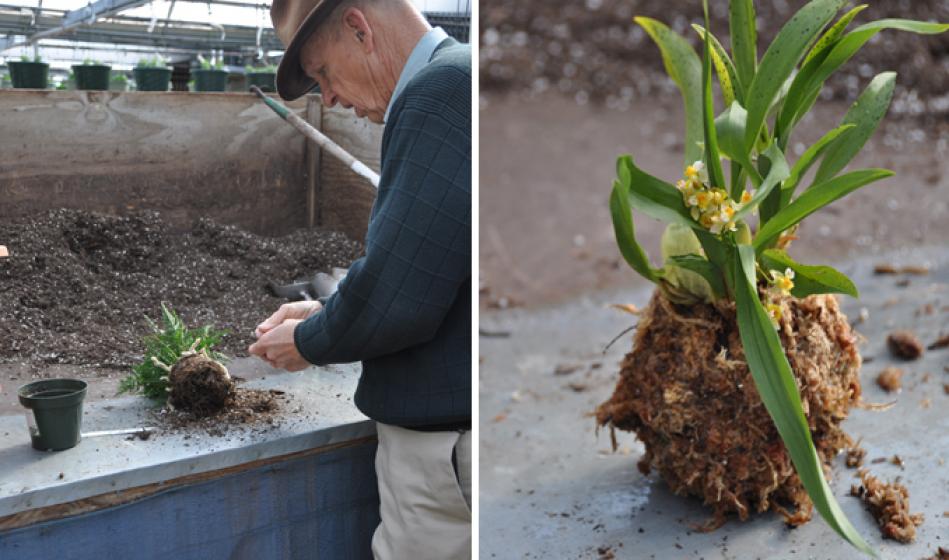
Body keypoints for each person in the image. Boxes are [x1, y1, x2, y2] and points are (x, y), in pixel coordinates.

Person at [248, 1, 471, 558]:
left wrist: (308, 341)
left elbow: (399, 297)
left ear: (358, 27)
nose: (331, 98)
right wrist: (326, 311)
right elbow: (431, 265)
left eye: (323, 72)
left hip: (447, 453)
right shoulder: (463, 78)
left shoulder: (438, 95)